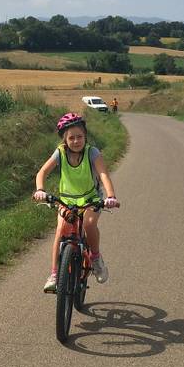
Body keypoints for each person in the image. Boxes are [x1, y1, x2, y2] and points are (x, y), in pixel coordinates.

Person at [32, 112, 119, 293]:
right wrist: (40, 190)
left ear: (85, 136)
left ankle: (95, 258)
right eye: (71, 138)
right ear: (64, 139)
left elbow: (103, 175)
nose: (76, 141)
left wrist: (110, 196)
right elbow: (42, 173)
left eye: (79, 137)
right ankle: (55, 274)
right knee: (60, 231)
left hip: (90, 199)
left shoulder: (92, 152)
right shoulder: (60, 153)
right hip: (66, 200)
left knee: (88, 224)